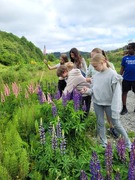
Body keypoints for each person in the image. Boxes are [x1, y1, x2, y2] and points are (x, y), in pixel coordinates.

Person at [81, 54, 131, 150]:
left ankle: (128, 143)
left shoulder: (113, 75)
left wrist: (116, 107)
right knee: (100, 123)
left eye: (96, 66)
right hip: (97, 103)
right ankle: (103, 144)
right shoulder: (96, 76)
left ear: (103, 62)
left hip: (109, 104)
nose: (95, 69)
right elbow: (93, 90)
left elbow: (116, 94)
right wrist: (87, 90)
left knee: (116, 124)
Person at [86, 48, 119, 139]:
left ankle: (112, 128)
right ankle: (101, 132)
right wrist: (91, 79)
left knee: (109, 115)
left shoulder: (110, 65)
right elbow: (87, 76)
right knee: (100, 117)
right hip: (97, 93)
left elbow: (114, 79)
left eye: (93, 56)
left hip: (107, 94)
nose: (92, 58)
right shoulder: (92, 65)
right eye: (91, 56)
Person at [120, 42, 135, 115]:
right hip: (126, 79)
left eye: (130, 48)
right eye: (128, 48)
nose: (128, 50)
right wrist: (119, 77)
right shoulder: (124, 58)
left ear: (134, 49)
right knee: (124, 93)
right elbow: (122, 68)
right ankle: (124, 108)